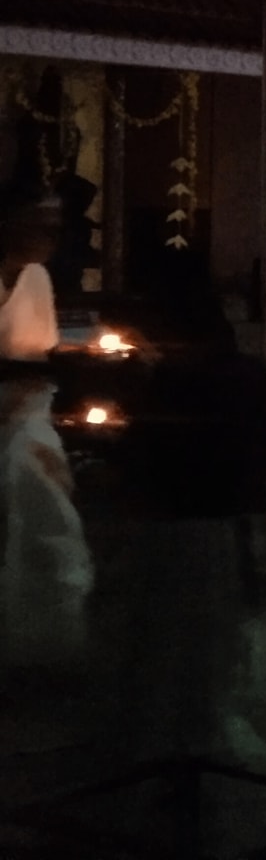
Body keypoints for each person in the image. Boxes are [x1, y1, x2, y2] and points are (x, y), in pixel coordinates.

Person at [114, 262, 266, 853]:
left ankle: (217, 796)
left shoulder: (189, 385)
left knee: (195, 667)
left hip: (187, 533)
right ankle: (194, 785)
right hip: (228, 525)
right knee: (213, 663)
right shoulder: (243, 377)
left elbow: (157, 456)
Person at [0, 190, 91, 670]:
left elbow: (45, 352)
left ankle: (45, 636)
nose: (51, 237)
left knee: (39, 478)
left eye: (57, 226)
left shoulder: (38, 278)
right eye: (40, 223)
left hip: (29, 412)